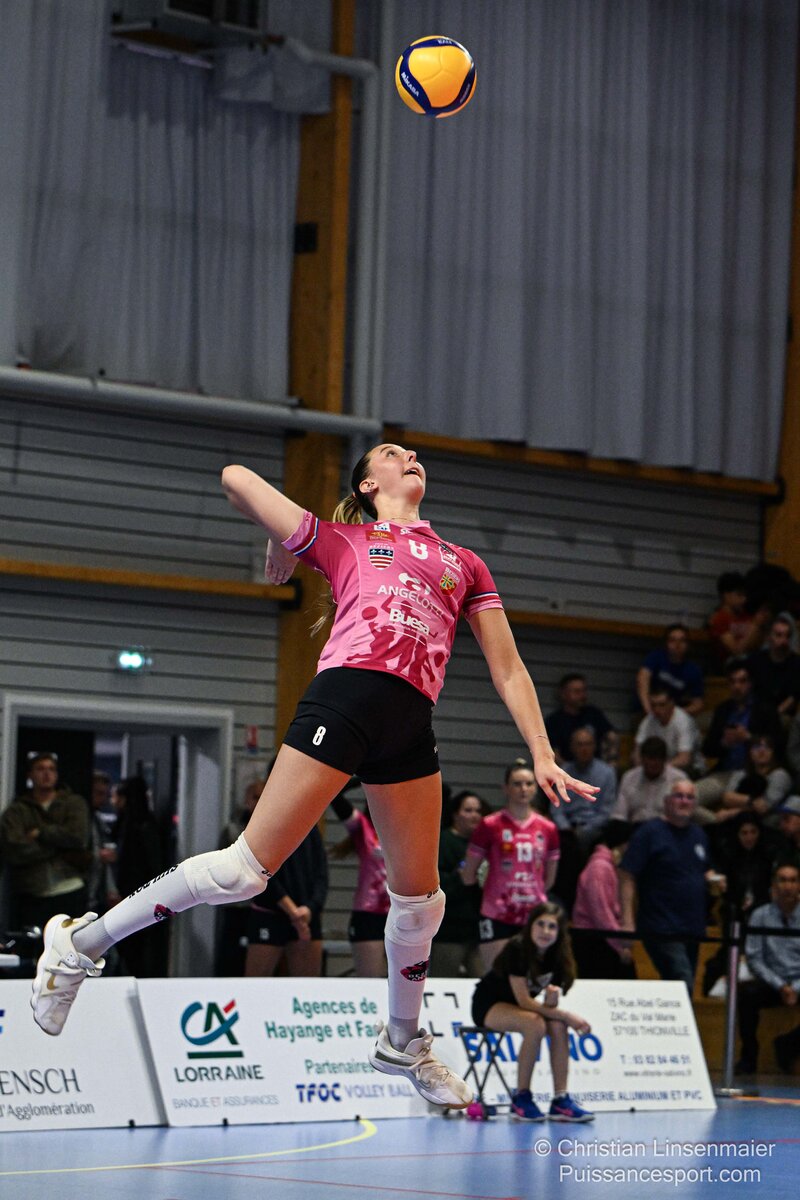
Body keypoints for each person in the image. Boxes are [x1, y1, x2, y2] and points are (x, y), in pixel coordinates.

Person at [30, 443, 597, 1111]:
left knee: (423, 903)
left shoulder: (464, 562)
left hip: (410, 724)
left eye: (411, 451)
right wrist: (284, 538)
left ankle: (401, 1040)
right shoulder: (343, 540)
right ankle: (77, 944)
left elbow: (509, 668)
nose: (410, 454)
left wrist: (541, 751)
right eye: (392, 453)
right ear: (367, 483)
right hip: (346, 701)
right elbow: (234, 477)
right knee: (242, 873)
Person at [470, 902, 594, 1122]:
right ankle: (521, 1097)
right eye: (541, 924)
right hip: (489, 1003)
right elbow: (525, 1001)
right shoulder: (518, 948)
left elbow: (549, 1007)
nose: (545, 931)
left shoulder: (558, 955)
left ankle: (560, 1100)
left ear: (560, 931)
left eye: (552, 927)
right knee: (535, 1023)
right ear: (530, 926)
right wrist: (567, 1015)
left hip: (520, 1008)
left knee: (558, 1026)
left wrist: (553, 1001)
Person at [619, 780, 722, 993]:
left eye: (690, 797)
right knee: (681, 980)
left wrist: (714, 879)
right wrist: (627, 920)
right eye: (679, 796)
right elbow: (627, 874)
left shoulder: (699, 834)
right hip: (660, 926)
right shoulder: (649, 832)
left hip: (692, 926)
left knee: (684, 986)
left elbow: (702, 869)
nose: (684, 801)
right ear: (667, 801)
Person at [462, 759, 561, 971]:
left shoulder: (548, 828)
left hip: (534, 913)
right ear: (505, 788)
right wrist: (483, 900)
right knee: (496, 974)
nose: (523, 789)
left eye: (529, 784)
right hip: (497, 911)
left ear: (536, 787)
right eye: (517, 784)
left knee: (529, 975)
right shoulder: (490, 825)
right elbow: (468, 873)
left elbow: (550, 878)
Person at [0, 753, 90, 932]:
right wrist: (58, 846)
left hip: (69, 886)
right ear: (30, 775)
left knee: (70, 941)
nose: (46, 774)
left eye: (51, 769)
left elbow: (77, 837)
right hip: (33, 891)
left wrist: (40, 833)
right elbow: (15, 850)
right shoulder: (18, 810)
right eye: (40, 769)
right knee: (33, 942)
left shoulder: (73, 803)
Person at [697, 660, 784, 815]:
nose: (737, 686)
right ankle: (715, 820)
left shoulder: (766, 710)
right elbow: (707, 749)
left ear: (750, 683)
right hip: (726, 772)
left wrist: (749, 738)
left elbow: (778, 744)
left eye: (742, 681)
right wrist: (724, 743)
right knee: (687, 797)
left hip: (757, 774)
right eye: (732, 682)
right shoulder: (723, 710)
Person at [737, 863, 800, 1074]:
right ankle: (748, 1057)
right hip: (771, 982)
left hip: (799, 981)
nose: (788, 886)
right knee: (746, 995)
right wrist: (781, 986)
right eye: (783, 880)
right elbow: (754, 958)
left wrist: (795, 987)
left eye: (793, 880)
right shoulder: (760, 915)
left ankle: (789, 1043)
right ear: (773, 885)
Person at [245, 824, 328, 978]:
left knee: (308, 986)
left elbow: (322, 873)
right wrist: (292, 911)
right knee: (255, 983)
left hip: (305, 914)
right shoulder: (265, 824)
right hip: (271, 911)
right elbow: (260, 869)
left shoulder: (311, 827)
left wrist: (310, 908)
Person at [550, 727, 616, 912]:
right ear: (572, 747)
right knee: (563, 849)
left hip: (594, 828)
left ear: (594, 747)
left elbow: (607, 811)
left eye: (588, 744)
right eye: (579, 744)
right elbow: (556, 808)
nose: (584, 749)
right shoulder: (562, 771)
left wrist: (585, 831)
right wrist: (566, 828)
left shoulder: (607, 773)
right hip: (567, 829)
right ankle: (564, 904)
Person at [329, 785, 389, 978]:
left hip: (400, 915)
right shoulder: (364, 828)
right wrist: (361, 777)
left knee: (400, 983)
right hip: (369, 914)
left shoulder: (407, 833)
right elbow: (334, 794)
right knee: (372, 980)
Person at [112, 776, 169, 978]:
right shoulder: (138, 823)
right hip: (139, 895)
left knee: (133, 948)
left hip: (134, 895)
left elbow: (150, 863)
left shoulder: (138, 825)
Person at [430, 789, 486, 978]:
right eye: (468, 810)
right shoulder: (443, 841)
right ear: (455, 814)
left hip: (478, 930)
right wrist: (462, 876)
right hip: (449, 930)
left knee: (483, 980)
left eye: (478, 811)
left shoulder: (485, 844)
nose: (474, 815)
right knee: (442, 982)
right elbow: (436, 884)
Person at [571, 821, 636, 980]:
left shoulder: (607, 866)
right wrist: (619, 945)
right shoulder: (599, 868)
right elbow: (601, 914)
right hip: (595, 941)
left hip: (601, 938)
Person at [214, 775, 265, 976]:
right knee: (230, 957)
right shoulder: (232, 830)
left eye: (263, 797)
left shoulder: (272, 830)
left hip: (263, 905)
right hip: (235, 905)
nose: (259, 802)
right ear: (247, 800)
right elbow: (220, 865)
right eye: (255, 797)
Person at [612, 736, 688, 825]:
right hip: (635, 828)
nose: (652, 763)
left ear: (665, 760)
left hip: (667, 829)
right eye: (650, 758)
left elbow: (683, 815)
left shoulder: (679, 780)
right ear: (642, 759)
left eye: (657, 759)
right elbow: (619, 815)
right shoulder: (629, 778)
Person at [544, 673, 616, 766]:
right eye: (577, 692)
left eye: (584, 691)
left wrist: (610, 764)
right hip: (565, 769)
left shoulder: (594, 714)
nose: (582, 695)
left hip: (595, 769)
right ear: (563, 694)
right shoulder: (554, 721)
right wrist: (568, 771)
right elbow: (552, 753)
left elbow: (611, 737)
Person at [636, 624, 704, 717]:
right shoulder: (656, 657)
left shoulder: (693, 670)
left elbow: (698, 704)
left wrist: (675, 713)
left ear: (688, 644)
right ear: (666, 643)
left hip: (673, 714)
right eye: (672, 640)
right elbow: (642, 680)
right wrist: (649, 710)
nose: (677, 645)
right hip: (647, 710)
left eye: (682, 641)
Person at [633, 687, 703, 775]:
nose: (657, 709)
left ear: (671, 703)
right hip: (656, 768)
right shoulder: (648, 721)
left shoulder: (683, 721)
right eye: (653, 705)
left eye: (662, 705)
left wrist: (657, 767)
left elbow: (684, 759)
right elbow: (637, 752)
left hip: (688, 769)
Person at [707, 571, 770, 668]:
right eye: (739, 595)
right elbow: (737, 651)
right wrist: (756, 625)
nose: (744, 599)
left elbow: (758, 644)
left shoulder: (746, 616)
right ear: (727, 596)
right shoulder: (720, 619)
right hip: (729, 666)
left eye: (745, 595)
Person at [746, 613, 800, 718]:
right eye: (779, 635)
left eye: (787, 636)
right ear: (769, 637)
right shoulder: (755, 660)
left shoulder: (796, 663)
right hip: (756, 713)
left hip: (782, 716)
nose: (783, 641)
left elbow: (793, 698)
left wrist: (772, 717)